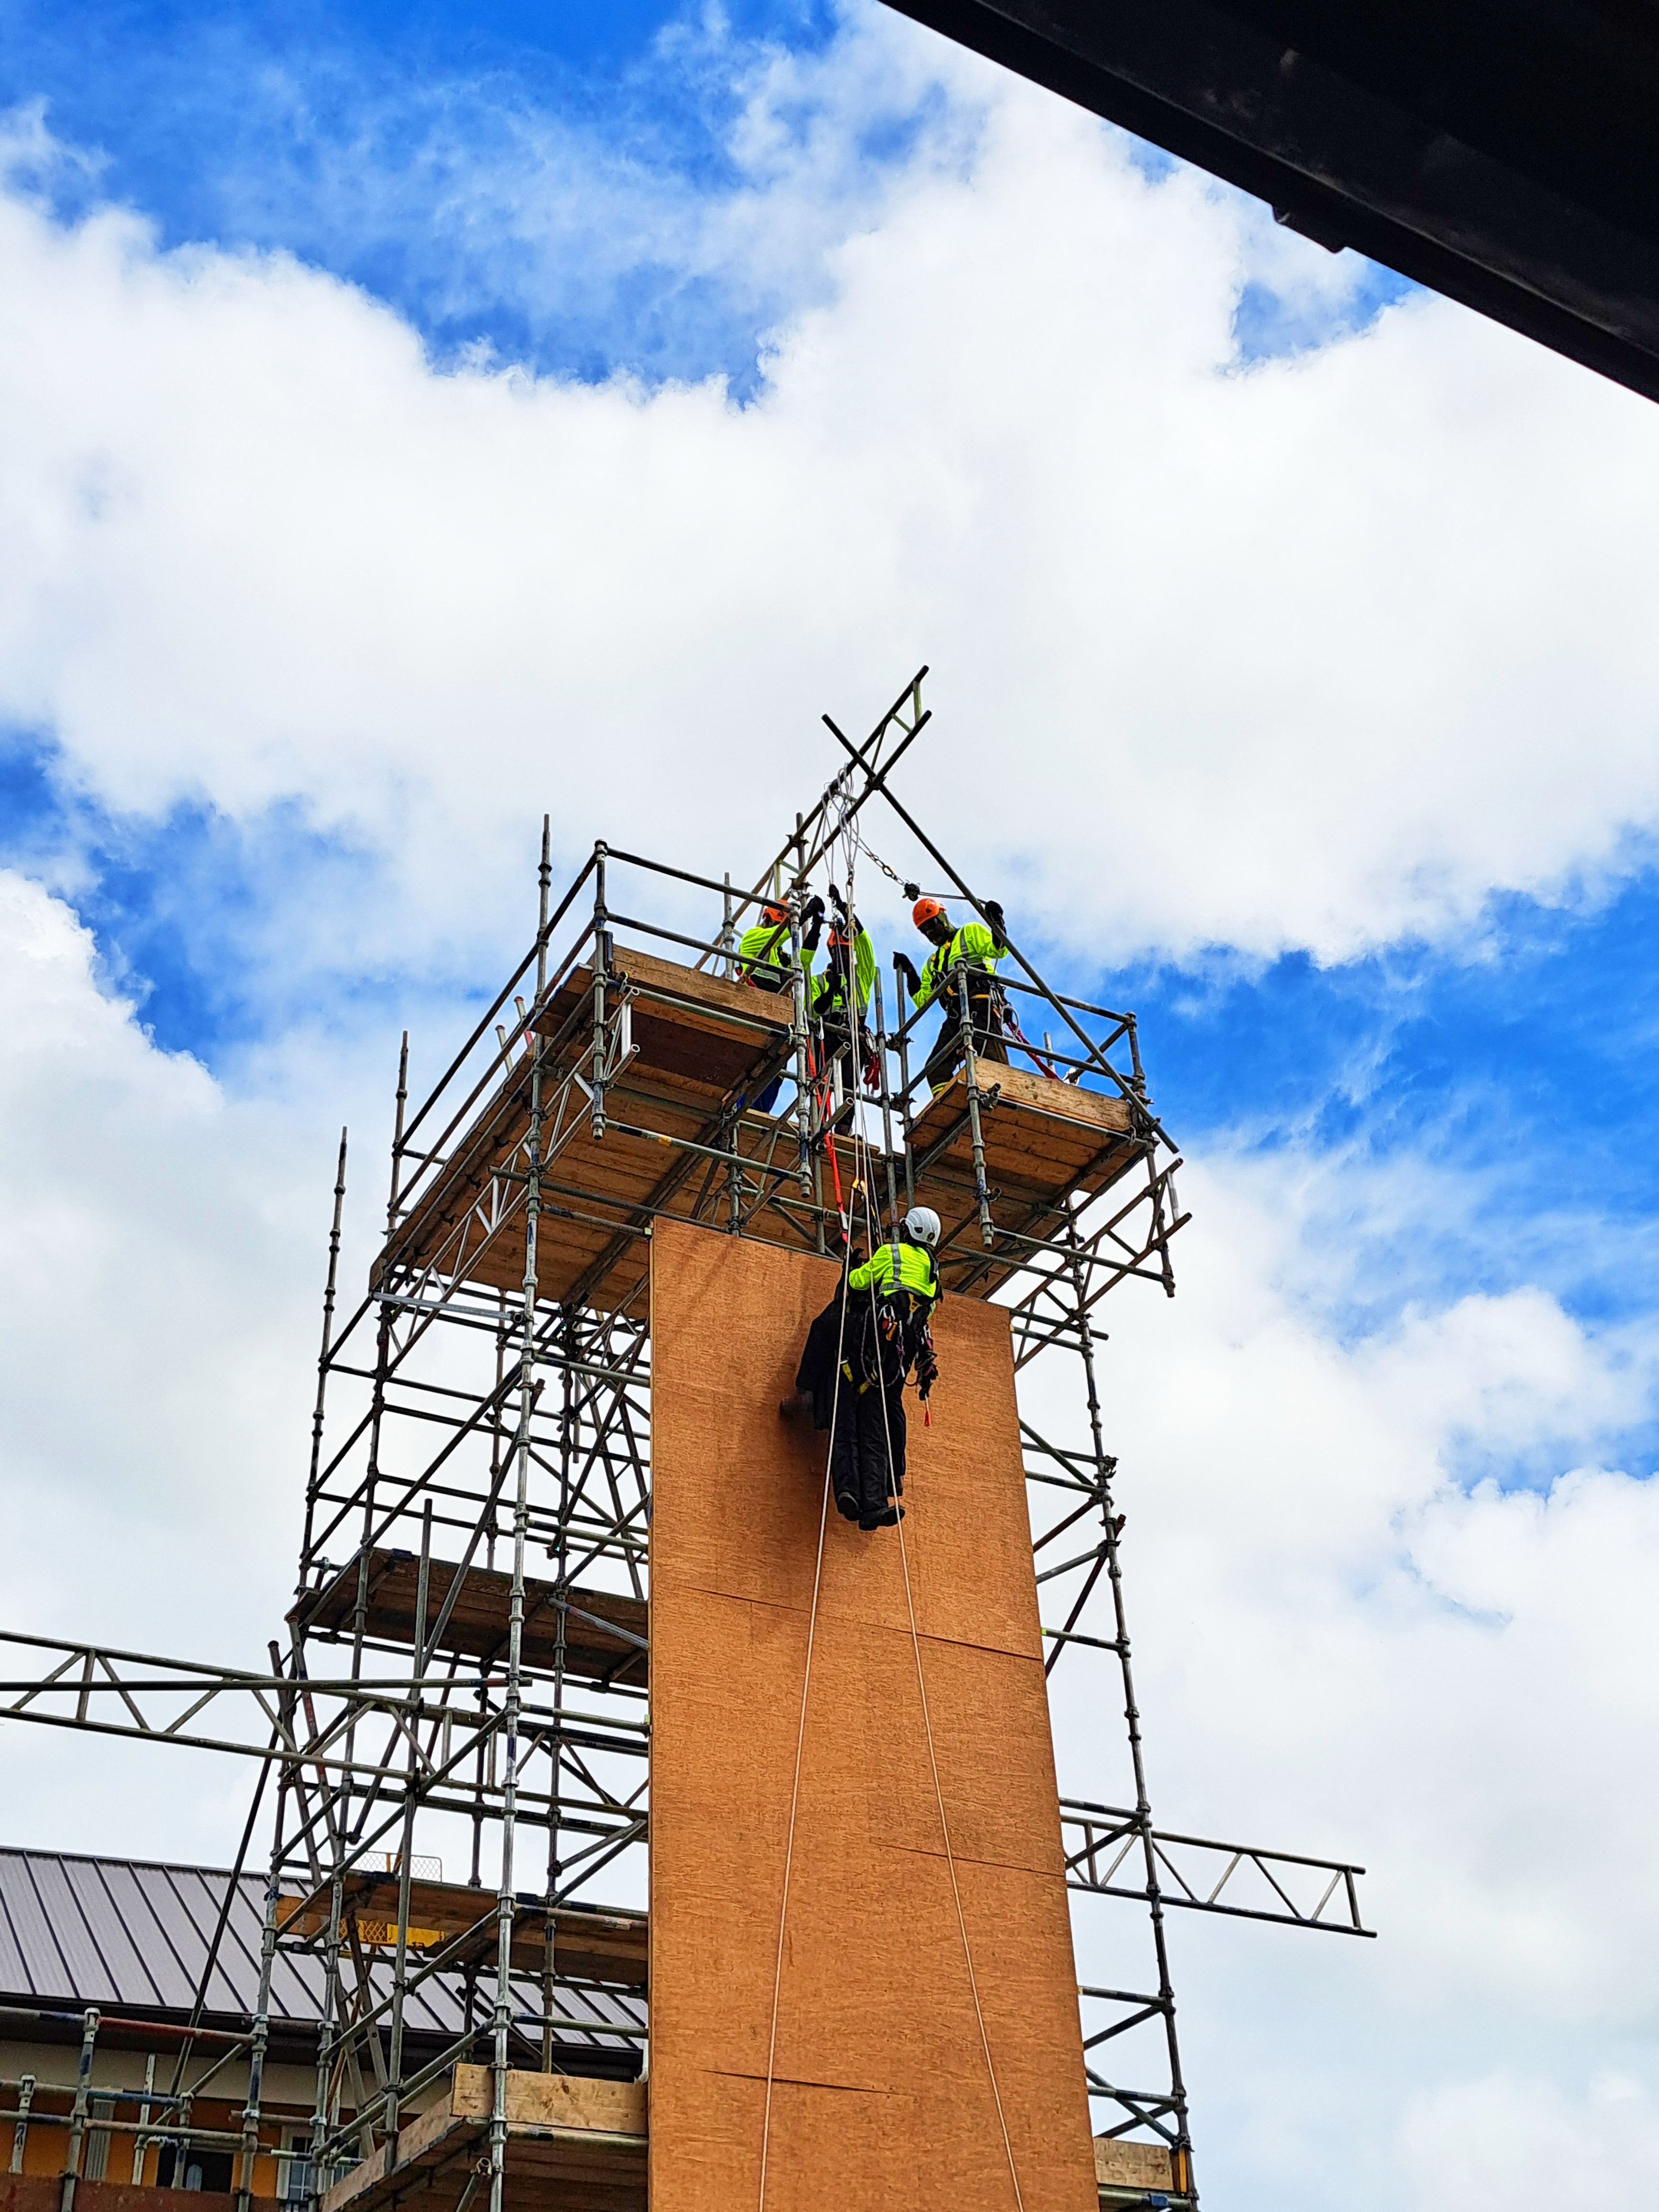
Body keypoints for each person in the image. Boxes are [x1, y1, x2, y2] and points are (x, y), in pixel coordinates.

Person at [783, 1206, 941, 1530]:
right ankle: (876, 1502)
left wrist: (853, 1266)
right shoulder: (932, 1271)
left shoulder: (891, 1253)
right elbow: (930, 1309)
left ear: (908, 1231)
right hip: (900, 1359)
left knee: (846, 1417)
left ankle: (848, 1491)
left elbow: (858, 1283)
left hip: (872, 1344)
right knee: (875, 1428)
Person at [894, 894, 1010, 1096]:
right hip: (956, 1017)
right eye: (925, 931)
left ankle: (1003, 1104)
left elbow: (998, 950)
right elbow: (923, 1000)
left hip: (981, 1007)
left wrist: (997, 922)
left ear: (943, 918)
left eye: (932, 925)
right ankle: (954, 1109)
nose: (930, 933)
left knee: (989, 1064)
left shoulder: (969, 933)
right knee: (936, 1068)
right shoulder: (933, 963)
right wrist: (911, 972)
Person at [736, 893, 823, 1112]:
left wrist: (816, 927)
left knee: (774, 1069)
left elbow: (803, 960)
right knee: (751, 1065)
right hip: (757, 1006)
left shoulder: (778, 952)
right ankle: (743, 1110)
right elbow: (779, 935)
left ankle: (759, 1114)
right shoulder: (754, 936)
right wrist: (804, 914)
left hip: (778, 1016)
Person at [809, 887, 877, 1102]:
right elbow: (814, 1010)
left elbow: (864, 941)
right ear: (831, 952)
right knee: (821, 1089)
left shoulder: (861, 977)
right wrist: (830, 990)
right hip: (826, 1040)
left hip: (852, 1041)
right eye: (840, 951)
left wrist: (841, 905)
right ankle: (818, 1130)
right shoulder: (819, 981)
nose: (844, 955)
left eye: (848, 950)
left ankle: (844, 1131)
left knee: (848, 1090)